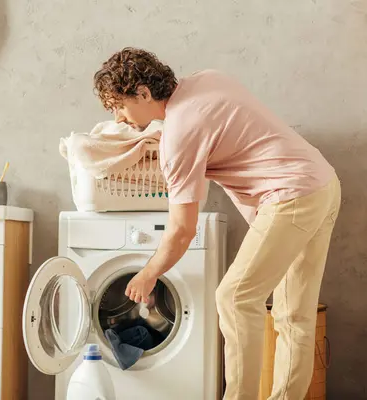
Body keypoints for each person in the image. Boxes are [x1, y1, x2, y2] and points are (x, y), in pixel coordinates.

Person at [93, 47, 341, 400]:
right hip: (323, 184)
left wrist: (148, 273)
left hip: (291, 197)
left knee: (235, 298)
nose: (118, 118)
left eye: (119, 105)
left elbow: (181, 230)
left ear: (144, 93)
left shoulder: (179, 135)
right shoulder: (207, 79)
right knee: (294, 315)